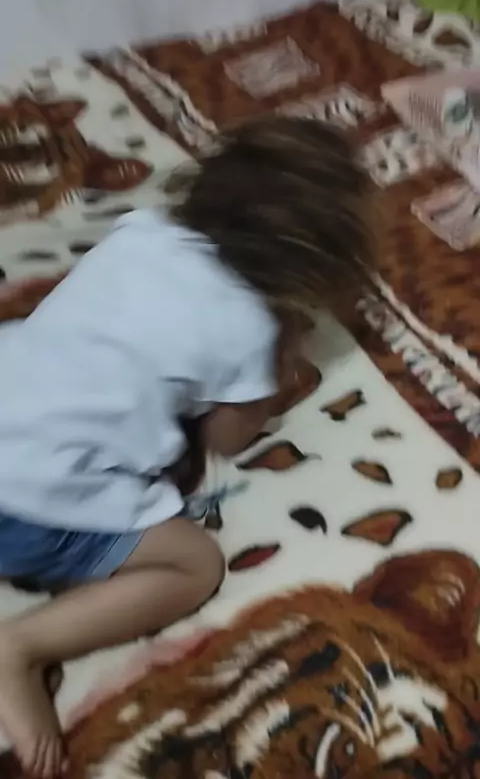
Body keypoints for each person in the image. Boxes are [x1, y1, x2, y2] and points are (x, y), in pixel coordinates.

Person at [0, 116, 373, 777]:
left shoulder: (142, 233)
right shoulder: (250, 332)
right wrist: (276, 364)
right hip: (31, 499)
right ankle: (23, 647)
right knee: (194, 565)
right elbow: (227, 439)